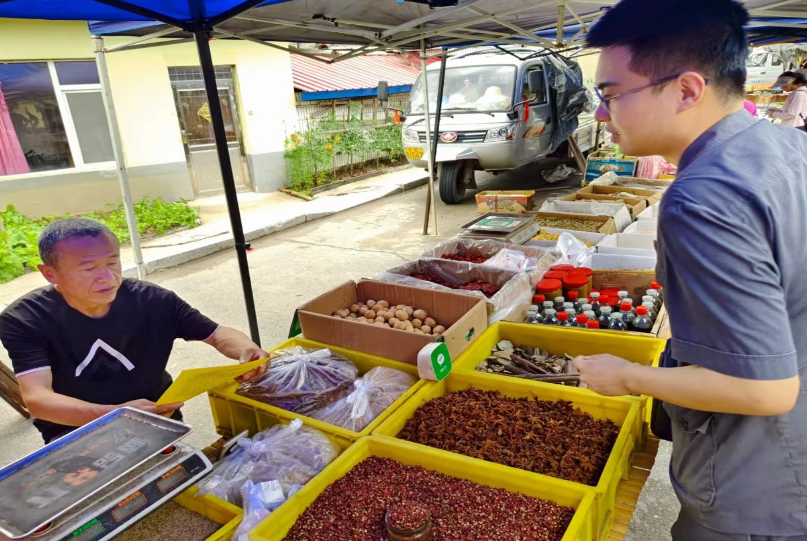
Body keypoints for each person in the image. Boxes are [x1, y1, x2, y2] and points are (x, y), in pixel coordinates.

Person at [577, 1, 807, 540]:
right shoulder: (786, 144)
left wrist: (625, 376)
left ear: (686, 89)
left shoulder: (702, 200)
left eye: (610, 95)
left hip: (759, 487)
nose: (600, 115)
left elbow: (765, 390)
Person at [0, 218, 269, 444]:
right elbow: (37, 398)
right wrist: (112, 414)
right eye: (89, 268)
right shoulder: (24, 319)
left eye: (112, 262)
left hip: (158, 413)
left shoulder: (153, 300)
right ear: (50, 274)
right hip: (77, 430)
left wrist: (246, 348)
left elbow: (216, 334)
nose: (107, 277)